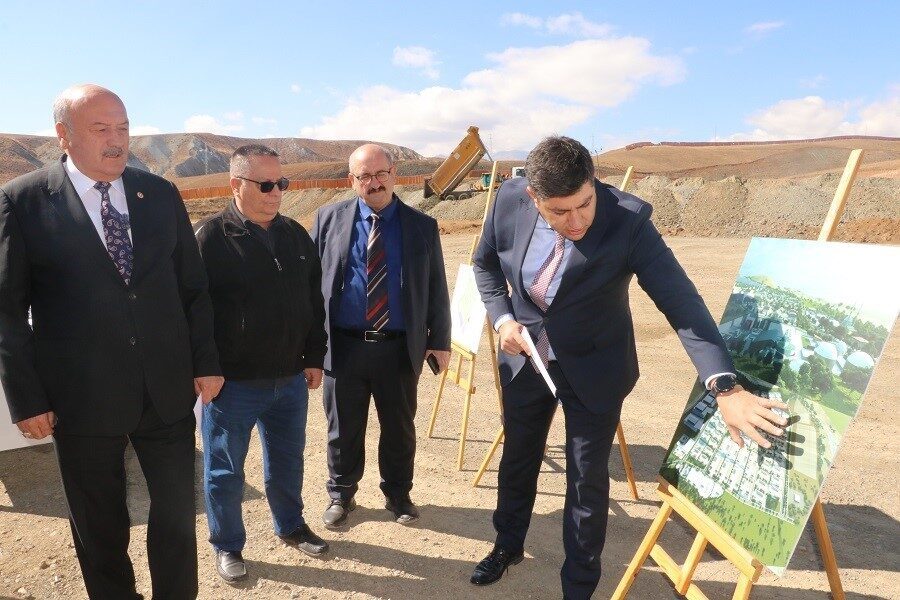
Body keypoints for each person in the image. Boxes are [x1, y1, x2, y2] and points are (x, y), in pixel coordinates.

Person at [469, 136, 788, 599]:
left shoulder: (629, 221)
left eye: (585, 204)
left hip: (594, 368)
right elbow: (484, 267)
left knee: (585, 481)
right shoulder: (508, 202)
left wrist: (724, 385)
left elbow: (682, 302)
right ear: (533, 197)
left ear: (594, 183)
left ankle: (577, 588)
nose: (576, 221)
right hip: (526, 359)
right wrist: (503, 320)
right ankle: (507, 544)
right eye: (560, 212)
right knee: (518, 457)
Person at [0, 84, 223, 599]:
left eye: (123, 127)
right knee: (100, 527)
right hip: (80, 398)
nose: (117, 140)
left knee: (174, 519)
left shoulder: (160, 194)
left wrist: (206, 361)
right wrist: (27, 397)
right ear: (64, 134)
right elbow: (8, 311)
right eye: (102, 129)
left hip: (165, 391)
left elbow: (193, 288)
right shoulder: (24, 201)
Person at [194, 144, 329, 582]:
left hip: (289, 379)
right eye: (265, 184)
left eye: (281, 183)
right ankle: (228, 544)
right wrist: (205, 367)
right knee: (225, 469)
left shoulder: (294, 234)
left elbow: (313, 302)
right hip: (231, 384)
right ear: (236, 185)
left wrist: (312, 356)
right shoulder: (210, 238)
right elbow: (193, 311)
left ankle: (291, 525)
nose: (276, 193)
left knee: (288, 461)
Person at [311, 144, 451, 528]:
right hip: (343, 346)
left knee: (399, 428)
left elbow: (436, 286)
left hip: (398, 348)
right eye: (365, 176)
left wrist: (440, 339)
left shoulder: (421, 226)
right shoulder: (327, 219)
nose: (374, 183)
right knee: (343, 428)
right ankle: (341, 495)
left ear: (394, 174)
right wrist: (307, 347)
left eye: (381, 174)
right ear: (351, 180)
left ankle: (398, 495)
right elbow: (309, 287)